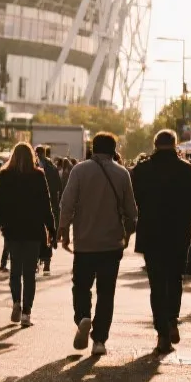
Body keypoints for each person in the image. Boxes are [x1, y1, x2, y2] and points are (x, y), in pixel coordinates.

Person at [58, 132, 136, 356]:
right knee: (106, 292)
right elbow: (132, 210)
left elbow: (68, 202)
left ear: (93, 148)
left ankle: (83, 316)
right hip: (111, 244)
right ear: (113, 150)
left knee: (81, 286)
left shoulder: (79, 170)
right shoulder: (122, 174)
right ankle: (99, 340)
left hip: (84, 243)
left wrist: (63, 229)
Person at [130, 129, 191, 354]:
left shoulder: (142, 170)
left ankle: (162, 334)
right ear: (174, 145)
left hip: (151, 233)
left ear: (155, 144)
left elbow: (133, 200)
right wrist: (185, 219)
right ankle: (172, 320)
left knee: (156, 284)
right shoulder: (186, 169)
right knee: (174, 278)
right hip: (177, 233)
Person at [0, 143, 55, 328]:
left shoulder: (4, 176)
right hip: (33, 229)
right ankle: (27, 313)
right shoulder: (38, 176)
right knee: (29, 273)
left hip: (13, 229)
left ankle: (16, 303)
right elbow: (46, 204)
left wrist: (1, 223)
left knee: (15, 271)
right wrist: (51, 228)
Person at [36, 146, 63, 275]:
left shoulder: (36, 166)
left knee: (40, 232)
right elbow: (59, 185)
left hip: (41, 203)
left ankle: (40, 262)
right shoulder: (52, 167)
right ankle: (45, 262)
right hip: (51, 202)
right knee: (47, 232)